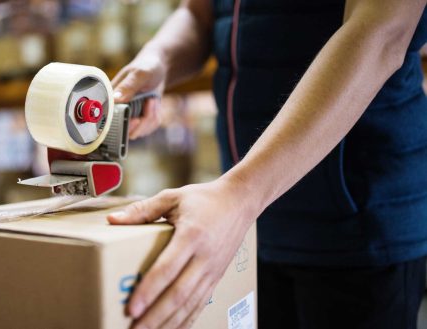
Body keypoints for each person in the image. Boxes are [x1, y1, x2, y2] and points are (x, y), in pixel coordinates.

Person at [106, 0, 427, 328]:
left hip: (357, 232)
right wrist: (158, 56)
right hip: (252, 228)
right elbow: (199, 13)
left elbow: (382, 34)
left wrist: (239, 196)